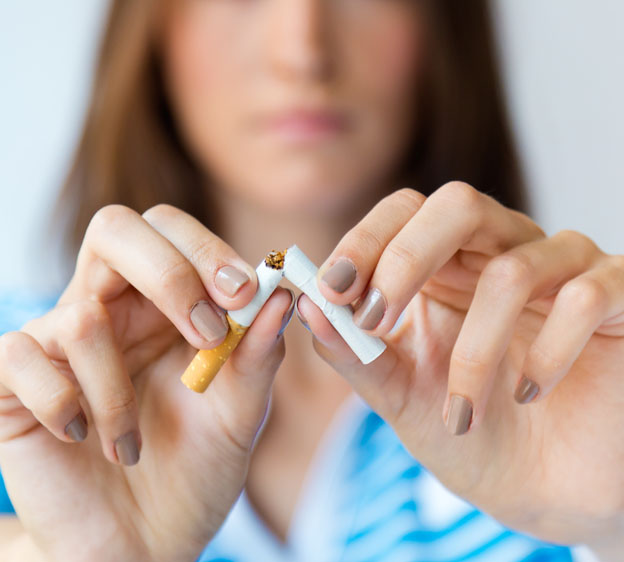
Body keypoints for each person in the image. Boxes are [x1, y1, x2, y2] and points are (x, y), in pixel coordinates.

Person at [0, 1, 622, 560]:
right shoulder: (30, 394)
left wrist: (616, 520)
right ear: (152, 26)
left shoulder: (561, 367)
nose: (303, 53)